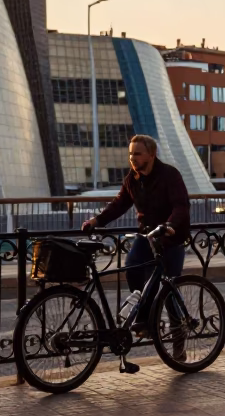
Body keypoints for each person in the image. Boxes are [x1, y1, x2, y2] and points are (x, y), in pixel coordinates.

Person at [82, 135, 191, 336]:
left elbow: (181, 205)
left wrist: (170, 225)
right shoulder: (132, 179)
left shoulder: (169, 175)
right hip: (147, 237)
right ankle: (144, 321)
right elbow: (119, 204)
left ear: (151, 154)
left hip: (169, 238)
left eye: (137, 154)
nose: (132, 158)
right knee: (132, 268)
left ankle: (179, 333)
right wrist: (96, 221)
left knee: (168, 289)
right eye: (131, 154)